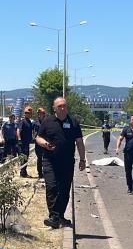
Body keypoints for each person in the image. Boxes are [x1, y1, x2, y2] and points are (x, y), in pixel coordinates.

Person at [35, 97, 87, 229]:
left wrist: (82, 159)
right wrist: (45, 144)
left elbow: (79, 142)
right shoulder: (47, 121)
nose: (62, 108)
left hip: (67, 162)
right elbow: (38, 138)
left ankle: (60, 216)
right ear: (54, 108)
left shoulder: (73, 122)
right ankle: (53, 216)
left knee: (64, 190)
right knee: (52, 187)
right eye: (59, 106)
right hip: (50, 161)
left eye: (64, 106)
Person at [18, 107, 34, 177]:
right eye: (27, 113)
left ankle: (24, 172)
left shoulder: (29, 122)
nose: (28, 114)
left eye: (30, 113)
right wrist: (19, 139)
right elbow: (18, 130)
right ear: (25, 114)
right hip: (22, 143)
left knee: (26, 158)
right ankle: (22, 172)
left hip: (27, 143)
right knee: (23, 158)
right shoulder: (23, 121)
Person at [33, 108, 47, 178]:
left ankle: (46, 172)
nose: (39, 115)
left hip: (45, 143)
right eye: (38, 113)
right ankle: (40, 173)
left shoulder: (47, 122)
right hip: (38, 144)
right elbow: (33, 132)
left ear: (43, 114)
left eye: (40, 113)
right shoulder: (35, 123)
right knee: (39, 158)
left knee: (45, 158)